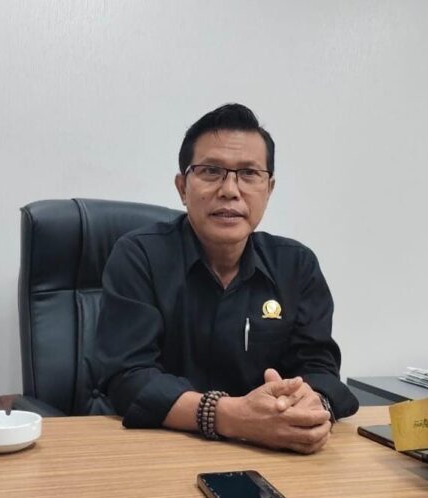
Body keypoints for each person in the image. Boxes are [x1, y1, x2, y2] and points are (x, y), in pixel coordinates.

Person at [94, 103, 358, 454]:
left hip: (273, 453)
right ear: (182, 187)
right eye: (211, 171)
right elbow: (128, 378)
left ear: (269, 189)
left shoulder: (297, 265)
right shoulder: (139, 256)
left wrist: (312, 405)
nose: (230, 190)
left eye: (249, 173)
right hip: (158, 450)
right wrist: (232, 416)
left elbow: (319, 368)